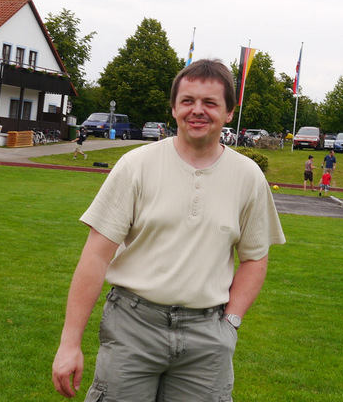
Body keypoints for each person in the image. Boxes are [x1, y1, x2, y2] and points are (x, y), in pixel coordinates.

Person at [52, 59, 285, 400]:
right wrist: (69, 343)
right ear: (174, 108)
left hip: (206, 336)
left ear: (229, 112)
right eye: (188, 101)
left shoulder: (248, 177)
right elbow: (96, 255)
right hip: (133, 326)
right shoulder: (136, 165)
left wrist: (230, 324)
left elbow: (255, 258)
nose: (197, 111)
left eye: (210, 103)